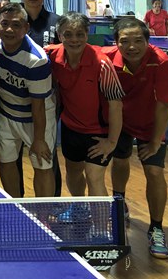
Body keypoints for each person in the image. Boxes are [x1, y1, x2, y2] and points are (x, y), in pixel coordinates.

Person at [102, 17, 168, 259]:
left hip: (149, 123)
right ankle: (120, 203)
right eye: (125, 41)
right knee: (120, 161)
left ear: (147, 41)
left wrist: (156, 141)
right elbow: (76, 47)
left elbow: (164, 104)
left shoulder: (161, 61)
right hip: (120, 122)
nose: (132, 46)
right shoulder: (106, 58)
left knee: (154, 172)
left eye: (138, 40)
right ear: (116, 42)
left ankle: (156, 228)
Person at [46, 13, 124, 198]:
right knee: (73, 172)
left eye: (80, 34)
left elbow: (116, 105)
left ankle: (100, 219)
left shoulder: (102, 63)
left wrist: (111, 142)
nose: (74, 40)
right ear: (60, 36)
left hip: (98, 132)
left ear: (87, 34)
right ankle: (79, 207)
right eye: (68, 34)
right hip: (71, 128)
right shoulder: (51, 55)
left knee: (94, 177)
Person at [0, 3, 55, 198]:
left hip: (36, 118)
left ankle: (44, 212)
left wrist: (39, 139)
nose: (9, 29)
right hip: (6, 114)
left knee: (42, 165)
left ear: (26, 28)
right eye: (4, 24)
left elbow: (38, 106)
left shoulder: (36, 60)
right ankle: (14, 208)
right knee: (6, 162)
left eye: (16, 25)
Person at [17, 0, 63, 197]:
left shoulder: (56, 22)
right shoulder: (11, 19)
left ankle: (53, 203)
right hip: (14, 96)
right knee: (14, 155)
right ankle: (16, 202)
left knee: (47, 152)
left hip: (47, 98)